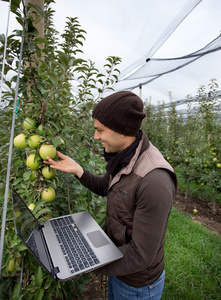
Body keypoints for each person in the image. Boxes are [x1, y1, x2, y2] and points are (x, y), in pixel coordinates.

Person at [44, 91, 177, 300]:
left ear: (121, 130)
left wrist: (84, 262)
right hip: (118, 266)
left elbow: (141, 255)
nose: (95, 136)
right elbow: (106, 186)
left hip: (137, 286)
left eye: (100, 130)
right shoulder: (125, 156)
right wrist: (79, 171)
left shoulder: (155, 180)